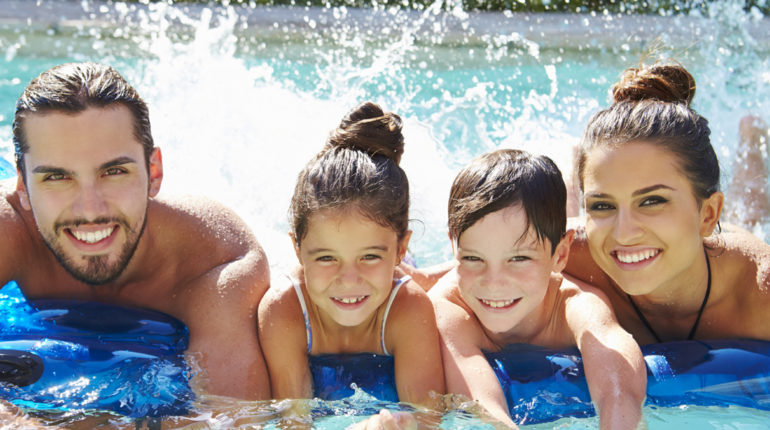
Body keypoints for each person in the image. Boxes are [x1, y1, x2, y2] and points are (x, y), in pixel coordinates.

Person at [1, 62, 270, 399]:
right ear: (23, 185)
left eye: (113, 171)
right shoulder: (8, 228)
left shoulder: (217, 262)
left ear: (153, 171)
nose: (90, 210)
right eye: (57, 177)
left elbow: (229, 417)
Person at [429, 149, 646, 428]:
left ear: (560, 255)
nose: (494, 283)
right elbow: (481, 404)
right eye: (472, 258)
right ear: (453, 247)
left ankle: (571, 170)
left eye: (519, 259)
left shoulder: (573, 303)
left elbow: (619, 390)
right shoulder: (448, 309)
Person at [258, 102, 445, 414]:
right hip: (378, 273)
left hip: (398, 275)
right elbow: (293, 418)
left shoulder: (409, 310)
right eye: (326, 258)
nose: (348, 279)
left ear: (400, 247)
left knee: (423, 282)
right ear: (297, 249)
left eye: (369, 256)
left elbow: (427, 419)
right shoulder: (283, 310)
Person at [566, 62, 770, 344]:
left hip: (728, 249)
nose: (624, 233)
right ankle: (574, 165)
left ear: (709, 214)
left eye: (652, 201)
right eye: (601, 205)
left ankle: (752, 137)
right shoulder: (559, 255)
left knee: (750, 213)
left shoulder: (759, 292)